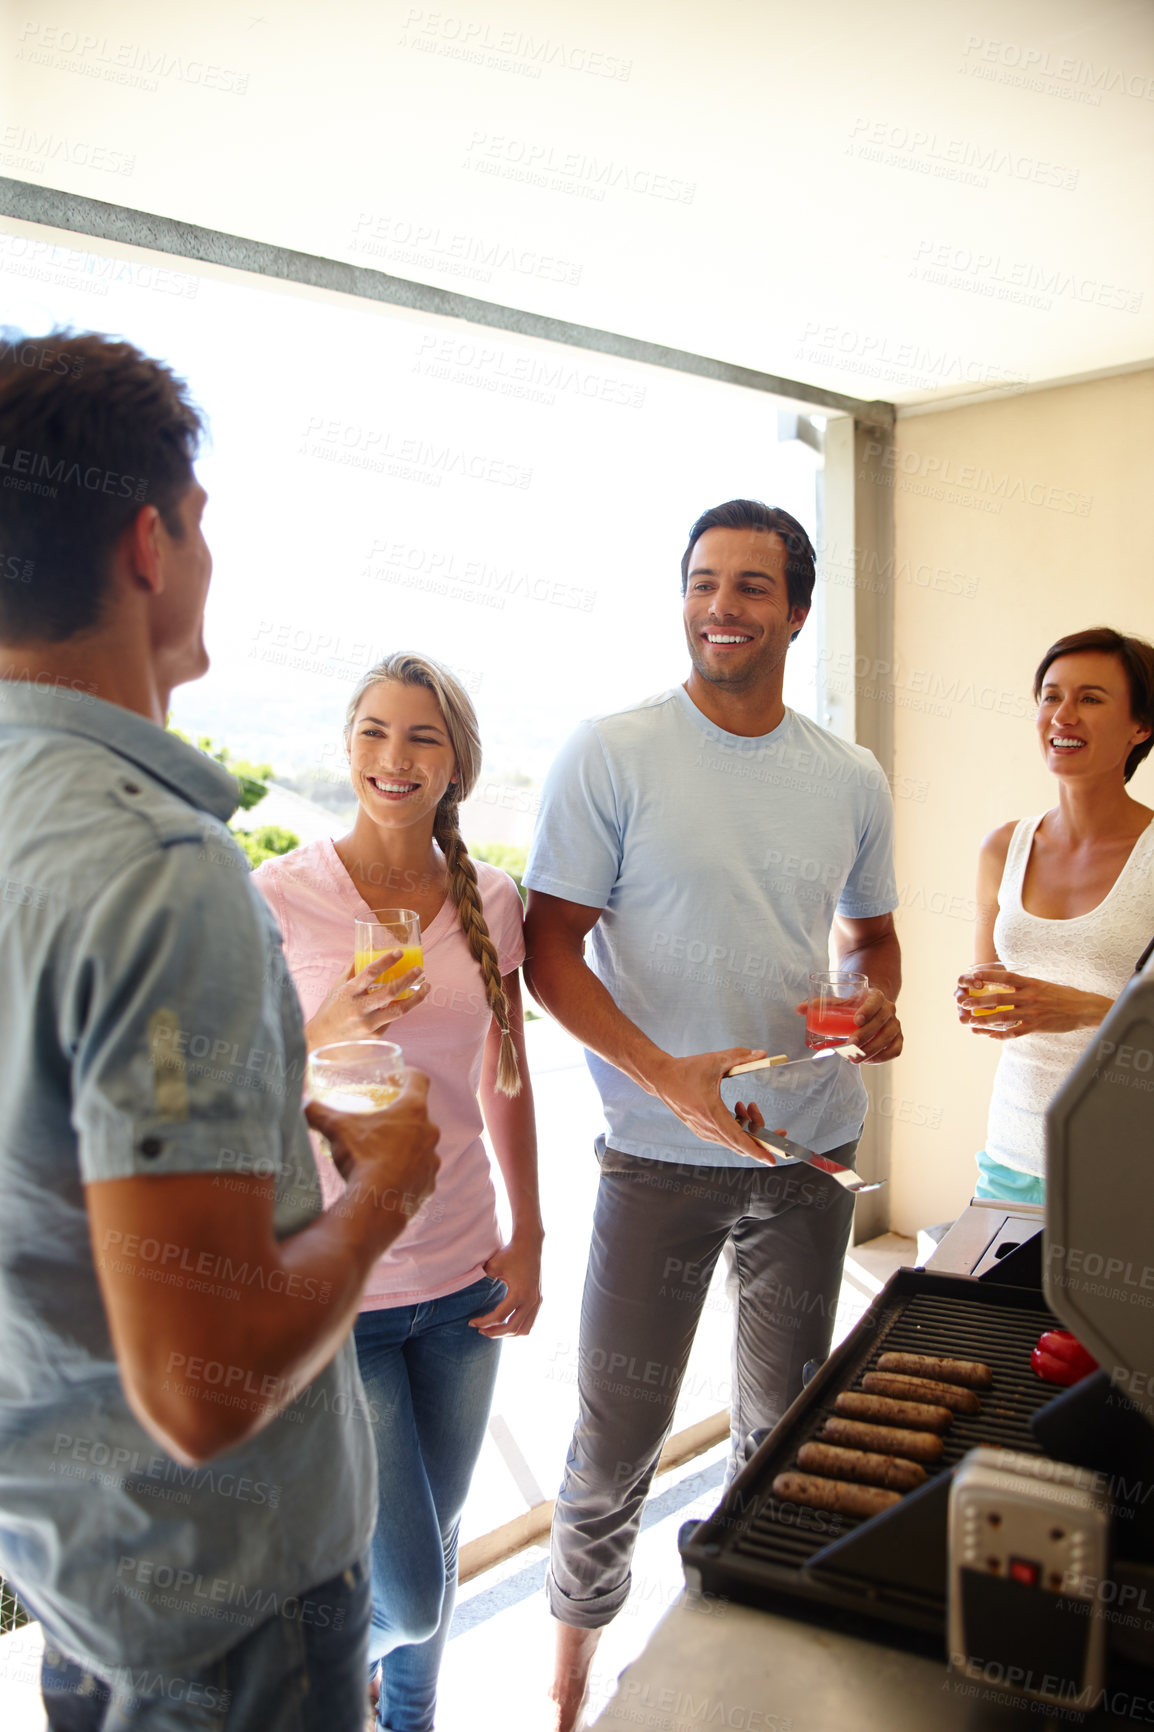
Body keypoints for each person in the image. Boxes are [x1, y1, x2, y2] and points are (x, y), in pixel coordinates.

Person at [0, 330, 440, 1731]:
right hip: (230, 1620)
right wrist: (383, 1200)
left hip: (78, 1572)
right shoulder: (158, 869)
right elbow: (200, 1390)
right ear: (152, 541)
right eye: (201, 526)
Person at [521, 498, 903, 1731]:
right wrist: (662, 1072)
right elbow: (548, 949)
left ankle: (741, 1667)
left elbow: (871, 938)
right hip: (654, 1155)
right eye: (700, 582)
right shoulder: (611, 749)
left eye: (749, 587)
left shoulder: (848, 775)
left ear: (796, 610)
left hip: (808, 1145)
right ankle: (569, 1687)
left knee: (782, 1428)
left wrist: (875, 1003)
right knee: (611, 1440)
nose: (719, 607)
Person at [253, 652, 543, 1732]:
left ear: (455, 762)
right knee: (408, 1586)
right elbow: (217, 1091)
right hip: (343, 1289)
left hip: (465, 1275)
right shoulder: (280, 894)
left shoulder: (492, 900)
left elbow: (504, 1083)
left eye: (421, 736)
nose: (394, 756)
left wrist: (532, 1235)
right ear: (346, 745)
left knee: (441, 1526)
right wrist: (321, 1034)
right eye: (374, 731)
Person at [956, 626, 1154, 1204]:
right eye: (1051, 696)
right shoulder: (1003, 848)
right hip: (1012, 1156)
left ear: (1141, 726)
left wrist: (1085, 1010)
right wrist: (979, 998)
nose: (1063, 715)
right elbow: (992, 989)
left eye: (1091, 699)